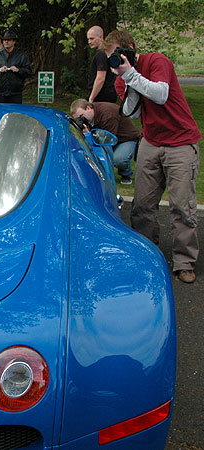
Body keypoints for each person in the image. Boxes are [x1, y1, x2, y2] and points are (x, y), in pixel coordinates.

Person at [105, 29, 202, 283]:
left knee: (182, 205)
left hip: (181, 141)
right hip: (151, 140)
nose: (114, 63)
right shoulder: (121, 78)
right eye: (110, 58)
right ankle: (146, 256)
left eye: (117, 55)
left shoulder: (157, 61)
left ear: (130, 49)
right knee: (142, 205)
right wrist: (127, 80)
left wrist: (132, 74)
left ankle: (184, 261)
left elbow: (160, 94)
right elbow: (133, 113)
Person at [70, 99, 140, 184]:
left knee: (119, 159)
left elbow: (107, 141)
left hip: (126, 138)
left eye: (81, 116)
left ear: (88, 108)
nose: (81, 120)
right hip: (109, 137)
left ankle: (126, 174)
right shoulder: (92, 114)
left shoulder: (108, 115)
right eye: (78, 119)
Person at [0, 30, 31, 104]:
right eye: (5, 40)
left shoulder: (21, 56)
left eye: (9, 40)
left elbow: (28, 71)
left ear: (14, 42)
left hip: (15, 94)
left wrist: (18, 70)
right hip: (0, 93)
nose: (6, 42)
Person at [86, 26, 117, 103]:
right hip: (108, 94)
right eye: (88, 39)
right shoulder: (107, 53)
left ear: (100, 37)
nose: (89, 42)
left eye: (92, 38)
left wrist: (91, 98)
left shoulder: (101, 54)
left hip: (101, 96)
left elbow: (100, 78)